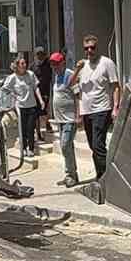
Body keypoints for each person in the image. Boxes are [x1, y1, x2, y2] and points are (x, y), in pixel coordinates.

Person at [75, 35, 121, 180]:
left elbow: (115, 86)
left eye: (92, 47)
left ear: (97, 47)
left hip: (102, 109)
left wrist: (115, 108)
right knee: (92, 146)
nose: (89, 51)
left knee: (98, 145)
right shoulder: (83, 66)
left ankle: (107, 177)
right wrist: (79, 113)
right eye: (86, 48)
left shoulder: (107, 63)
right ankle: (100, 174)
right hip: (87, 111)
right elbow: (72, 87)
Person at [0, 54, 43, 165]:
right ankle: (23, 148)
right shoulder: (13, 78)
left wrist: (41, 100)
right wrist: (13, 95)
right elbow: (4, 89)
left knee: (30, 128)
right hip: (20, 107)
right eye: (22, 63)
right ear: (17, 66)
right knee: (23, 129)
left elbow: (36, 88)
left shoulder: (31, 75)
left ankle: (31, 149)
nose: (24, 65)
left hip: (31, 105)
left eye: (25, 63)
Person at [48, 52, 80, 187]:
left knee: (65, 144)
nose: (54, 66)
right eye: (52, 64)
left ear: (63, 63)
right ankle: (70, 174)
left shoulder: (69, 75)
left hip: (70, 118)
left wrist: (79, 116)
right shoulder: (55, 77)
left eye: (56, 63)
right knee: (65, 147)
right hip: (59, 119)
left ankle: (71, 174)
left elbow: (78, 96)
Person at [33, 46, 53, 138]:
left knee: (46, 109)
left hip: (46, 90)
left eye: (42, 54)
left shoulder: (48, 64)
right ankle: (38, 133)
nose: (40, 56)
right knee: (36, 113)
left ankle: (47, 123)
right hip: (36, 92)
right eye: (38, 54)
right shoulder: (33, 66)